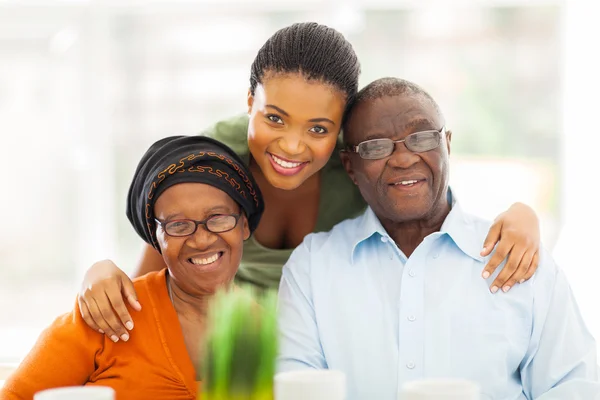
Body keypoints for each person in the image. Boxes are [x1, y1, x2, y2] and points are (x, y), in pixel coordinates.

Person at [78, 22, 541, 343]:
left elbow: (426, 203)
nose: (292, 147)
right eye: (275, 118)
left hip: (328, 354)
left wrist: (522, 216)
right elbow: (150, 283)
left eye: (318, 129)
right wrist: (100, 272)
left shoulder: (356, 168)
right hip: (227, 354)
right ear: (249, 103)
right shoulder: (215, 160)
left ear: (341, 131)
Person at [277, 77, 599, 400]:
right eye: (376, 146)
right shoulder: (311, 269)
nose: (403, 159)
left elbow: (575, 387)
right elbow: (296, 389)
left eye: (421, 137)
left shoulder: (519, 257)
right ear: (350, 166)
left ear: (447, 143)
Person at [1, 136, 265, 400]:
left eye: (218, 218)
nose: (201, 239)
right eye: (178, 225)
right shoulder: (108, 314)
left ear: (243, 225)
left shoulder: (271, 332)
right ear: (157, 239)